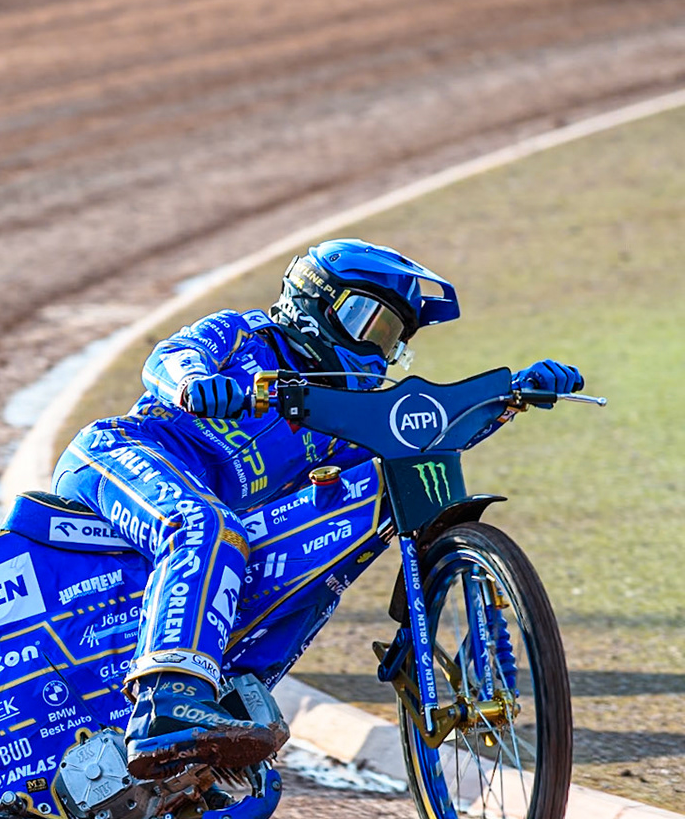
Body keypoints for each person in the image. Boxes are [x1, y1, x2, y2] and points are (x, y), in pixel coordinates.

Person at [50, 239, 584, 774]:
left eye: (393, 338)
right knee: (204, 526)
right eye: (369, 322)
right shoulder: (242, 332)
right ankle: (168, 703)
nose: (378, 348)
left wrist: (510, 399)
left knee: (322, 569)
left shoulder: (340, 421)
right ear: (316, 301)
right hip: (119, 456)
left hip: (206, 517)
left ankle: (227, 712)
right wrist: (195, 384)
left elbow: (420, 437)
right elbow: (170, 357)